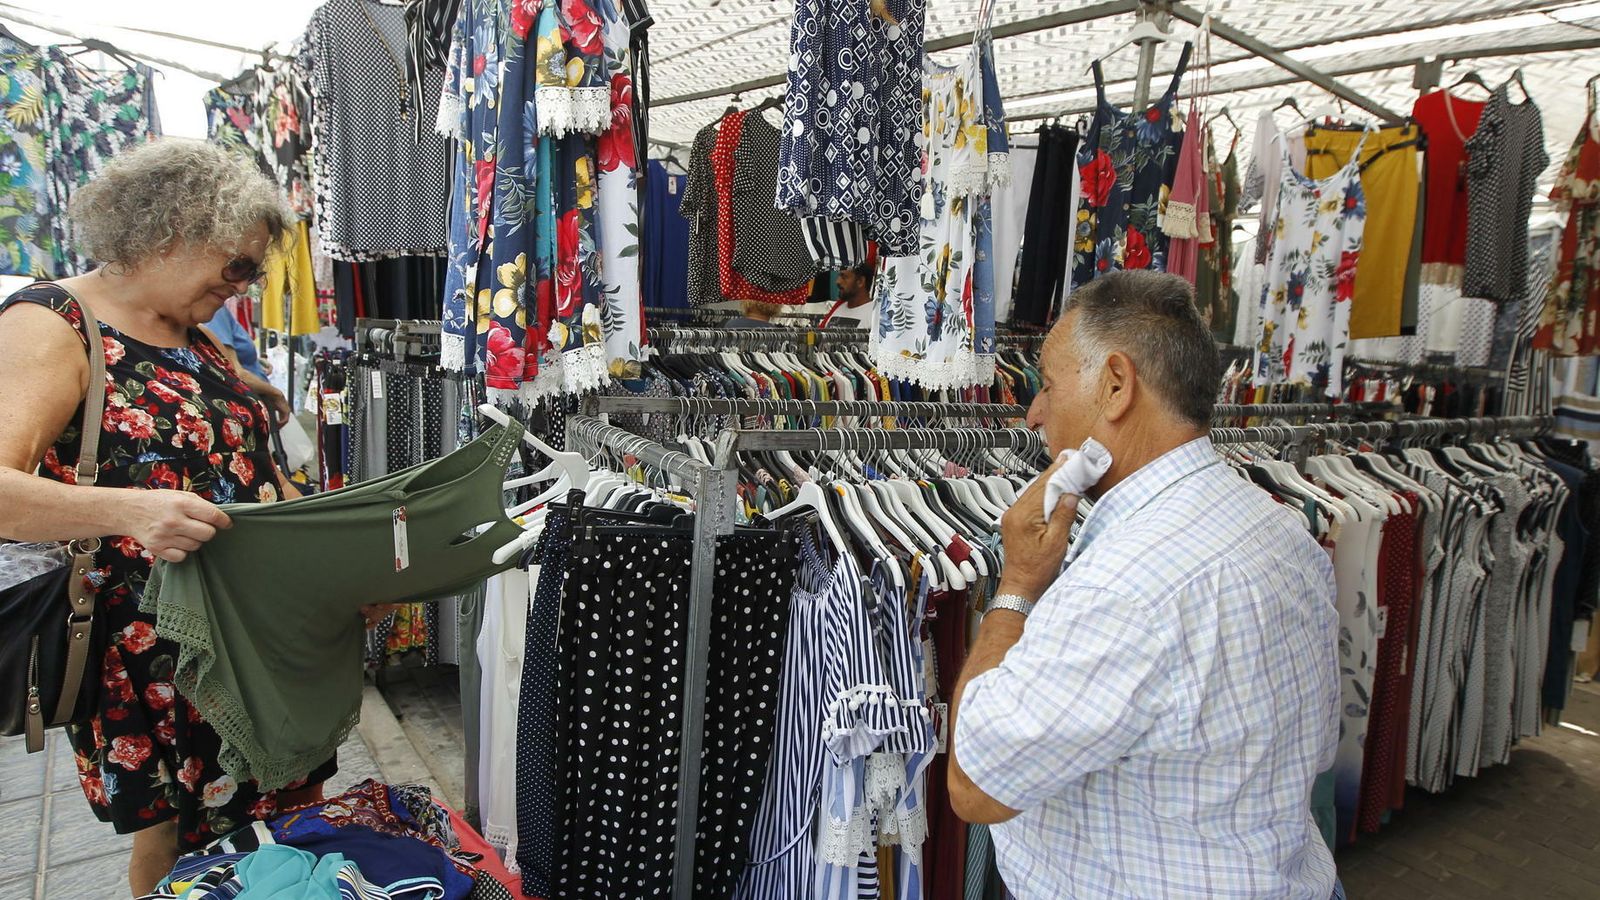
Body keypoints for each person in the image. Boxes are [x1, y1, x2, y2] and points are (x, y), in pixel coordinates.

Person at [0, 139, 345, 895]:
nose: (245, 286)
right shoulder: (49, 325)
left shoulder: (191, 333)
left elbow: (244, 466)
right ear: (169, 234)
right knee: (180, 844)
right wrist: (129, 509)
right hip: (153, 652)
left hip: (256, 635)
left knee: (287, 820)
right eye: (237, 266)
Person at [948, 270, 1342, 898]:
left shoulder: (1125, 585)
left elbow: (975, 783)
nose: (1035, 413)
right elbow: (1314, 746)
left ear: (1114, 385)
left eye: (1048, 385)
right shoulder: (1280, 527)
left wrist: (1017, 586)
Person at [202, 303, 292, 427]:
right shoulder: (216, 312)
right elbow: (234, 371)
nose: (242, 287)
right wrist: (277, 394)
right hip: (247, 405)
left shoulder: (215, 311)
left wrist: (255, 361)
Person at [822, 259, 876, 329]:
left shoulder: (875, 314)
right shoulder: (838, 308)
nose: (838, 281)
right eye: (839, 276)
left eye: (844, 277)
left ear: (860, 281)